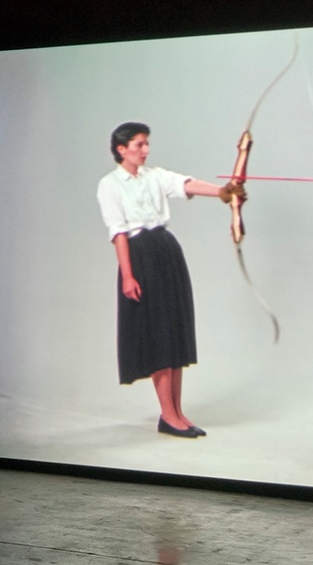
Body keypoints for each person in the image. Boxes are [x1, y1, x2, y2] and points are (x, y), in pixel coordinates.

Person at [97, 123, 244, 438]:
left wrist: (222, 191)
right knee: (158, 334)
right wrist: (128, 275)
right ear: (121, 149)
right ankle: (168, 414)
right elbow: (118, 233)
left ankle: (177, 413)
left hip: (166, 251)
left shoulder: (154, 176)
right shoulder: (109, 185)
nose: (145, 150)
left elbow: (187, 184)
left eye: (147, 144)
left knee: (173, 332)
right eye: (139, 145)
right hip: (140, 256)